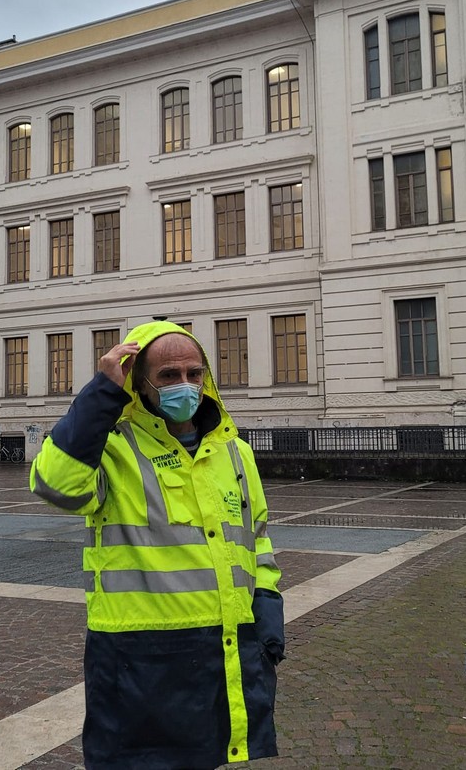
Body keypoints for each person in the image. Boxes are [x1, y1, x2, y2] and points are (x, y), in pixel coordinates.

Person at [31, 320, 283, 770]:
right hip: (138, 663)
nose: (184, 385)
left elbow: (257, 536)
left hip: (219, 650)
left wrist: (267, 611)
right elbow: (55, 484)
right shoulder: (111, 448)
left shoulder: (234, 452)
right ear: (139, 384)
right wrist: (100, 395)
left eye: (194, 373)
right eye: (168, 376)